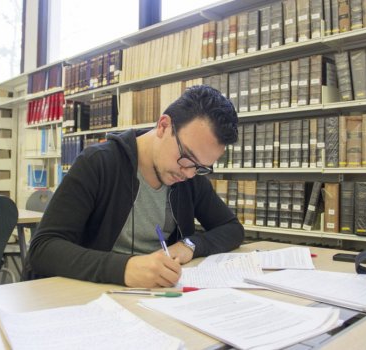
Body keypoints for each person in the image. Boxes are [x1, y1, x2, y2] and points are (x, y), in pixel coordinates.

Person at [26, 85, 244, 287]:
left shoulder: (189, 174)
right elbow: (43, 248)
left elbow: (232, 228)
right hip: (96, 294)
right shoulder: (98, 163)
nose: (189, 173)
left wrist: (190, 245)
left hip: (160, 297)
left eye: (201, 167)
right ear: (163, 126)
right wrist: (124, 268)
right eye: (186, 157)